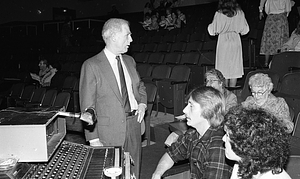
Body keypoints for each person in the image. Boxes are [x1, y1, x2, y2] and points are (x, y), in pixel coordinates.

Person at [79, 18, 147, 179]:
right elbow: (87, 106)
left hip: (134, 124)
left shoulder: (130, 61)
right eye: (127, 35)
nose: (131, 39)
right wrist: (93, 138)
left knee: (134, 172)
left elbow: (140, 87)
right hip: (108, 131)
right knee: (112, 174)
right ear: (114, 36)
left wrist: (143, 104)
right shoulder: (92, 65)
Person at [152, 86, 233, 179]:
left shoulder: (219, 146)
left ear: (207, 111)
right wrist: (157, 174)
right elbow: (171, 154)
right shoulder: (193, 134)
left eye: (191, 106)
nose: (184, 110)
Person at [223, 106, 291, 179]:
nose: (223, 139)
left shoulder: (273, 177)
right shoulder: (241, 165)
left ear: (245, 144)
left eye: (227, 135)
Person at [208, 0, 249, 87]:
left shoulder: (219, 14)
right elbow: (245, 30)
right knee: (234, 67)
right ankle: (232, 91)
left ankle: (225, 92)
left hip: (223, 41)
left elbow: (212, 31)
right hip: (235, 40)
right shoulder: (240, 13)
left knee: (223, 68)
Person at [259, 0, 294, 67]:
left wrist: (261, 10)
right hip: (280, 17)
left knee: (269, 40)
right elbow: (288, 7)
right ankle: (278, 62)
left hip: (272, 17)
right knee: (279, 40)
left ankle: (267, 63)